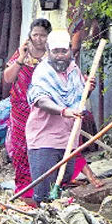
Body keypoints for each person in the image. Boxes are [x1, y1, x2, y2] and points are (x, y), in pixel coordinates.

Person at [25, 30, 95, 205]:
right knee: (43, 192)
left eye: (64, 51)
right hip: (44, 140)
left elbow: (77, 100)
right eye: (56, 52)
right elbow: (41, 101)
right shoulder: (42, 72)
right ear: (48, 51)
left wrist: (87, 89)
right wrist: (64, 111)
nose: (60, 56)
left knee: (61, 185)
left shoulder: (73, 70)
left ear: (70, 50)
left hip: (68, 139)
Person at [2, 18, 52, 204]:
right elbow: (8, 78)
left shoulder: (53, 57)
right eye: (35, 35)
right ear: (30, 36)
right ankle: (25, 191)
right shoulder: (21, 54)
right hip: (21, 110)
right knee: (21, 149)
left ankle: (45, 189)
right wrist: (21, 59)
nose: (38, 39)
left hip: (44, 111)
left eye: (43, 35)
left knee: (44, 149)